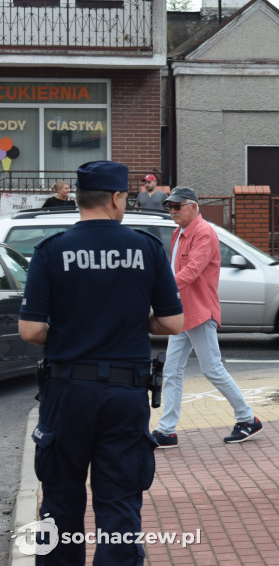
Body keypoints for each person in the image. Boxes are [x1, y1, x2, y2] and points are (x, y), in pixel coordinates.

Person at [20, 160, 183, 565]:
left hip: (66, 392)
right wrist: (129, 320)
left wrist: (70, 332)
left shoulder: (51, 250)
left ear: (78, 198)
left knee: (58, 503)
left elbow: (30, 330)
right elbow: (173, 322)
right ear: (115, 198)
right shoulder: (146, 247)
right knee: (120, 503)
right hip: (124, 395)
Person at [152, 186, 263, 447]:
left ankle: (248, 419)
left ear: (194, 206)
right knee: (172, 371)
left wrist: (159, 292)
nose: (172, 211)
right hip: (182, 311)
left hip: (200, 311)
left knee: (211, 368)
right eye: (170, 207)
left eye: (177, 206)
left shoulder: (203, 232)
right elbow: (175, 270)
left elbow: (191, 271)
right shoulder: (178, 232)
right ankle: (166, 430)